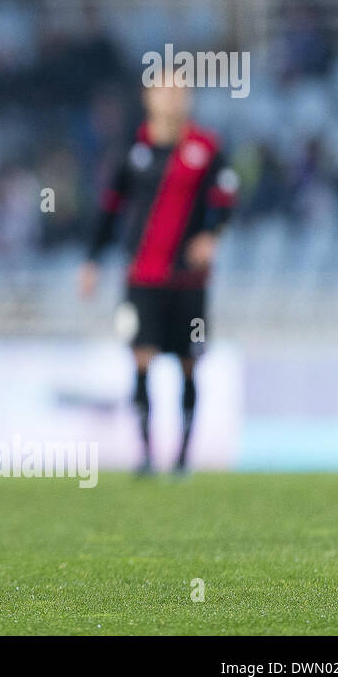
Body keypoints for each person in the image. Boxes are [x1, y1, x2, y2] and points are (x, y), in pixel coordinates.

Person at [80, 67, 238, 475]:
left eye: (179, 90)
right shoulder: (132, 149)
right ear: (149, 97)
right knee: (141, 358)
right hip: (142, 278)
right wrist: (92, 260)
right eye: (164, 89)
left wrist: (211, 235)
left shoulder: (205, 147)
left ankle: (184, 457)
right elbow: (110, 208)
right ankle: (147, 454)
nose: (172, 96)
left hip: (189, 280)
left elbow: (225, 197)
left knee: (188, 361)